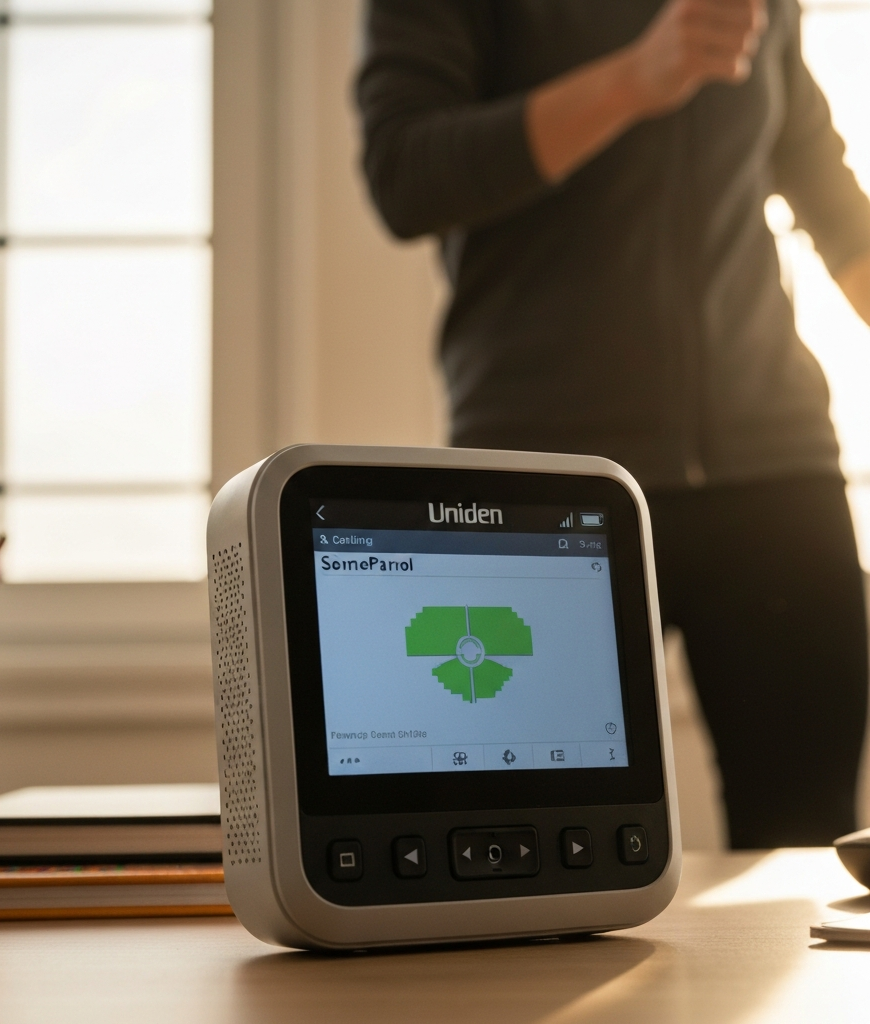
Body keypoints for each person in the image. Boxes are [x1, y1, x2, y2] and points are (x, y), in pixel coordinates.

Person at [356, 0, 870, 847]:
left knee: (805, 848)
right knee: (526, 846)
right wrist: (636, 78)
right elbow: (406, 177)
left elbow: (822, 182)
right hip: (544, 483)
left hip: (777, 469)